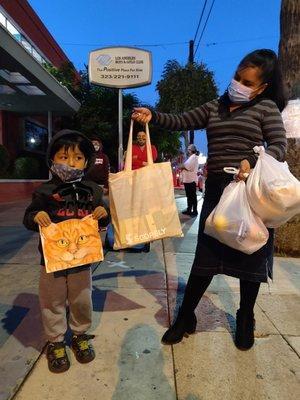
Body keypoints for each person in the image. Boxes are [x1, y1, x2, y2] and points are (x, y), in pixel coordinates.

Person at [132, 49, 287, 350]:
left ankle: (245, 318)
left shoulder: (266, 108)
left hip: (250, 192)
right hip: (217, 191)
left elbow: (278, 146)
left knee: (250, 255)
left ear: (262, 87)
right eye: (237, 77)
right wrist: (153, 115)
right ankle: (185, 316)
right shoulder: (216, 106)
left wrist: (253, 162)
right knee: (205, 258)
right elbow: (179, 120)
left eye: (247, 81)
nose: (238, 84)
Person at [23, 129, 109, 373]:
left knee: (82, 298)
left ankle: (80, 334)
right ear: (52, 159)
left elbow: (101, 221)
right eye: (64, 157)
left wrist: (104, 216)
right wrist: (35, 216)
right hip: (51, 262)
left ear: (87, 161)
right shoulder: (44, 191)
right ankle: (56, 341)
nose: (71, 163)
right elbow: (28, 218)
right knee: (52, 301)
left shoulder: (93, 190)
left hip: (82, 261)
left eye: (78, 158)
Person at [181, 144, 199, 216]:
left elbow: (187, 167)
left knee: (192, 196)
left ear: (191, 150)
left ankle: (194, 211)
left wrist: (182, 166)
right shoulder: (191, 157)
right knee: (189, 196)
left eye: (188, 149)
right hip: (188, 180)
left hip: (191, 180)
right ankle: (189, 209)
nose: (187, 150)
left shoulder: (193, 157)